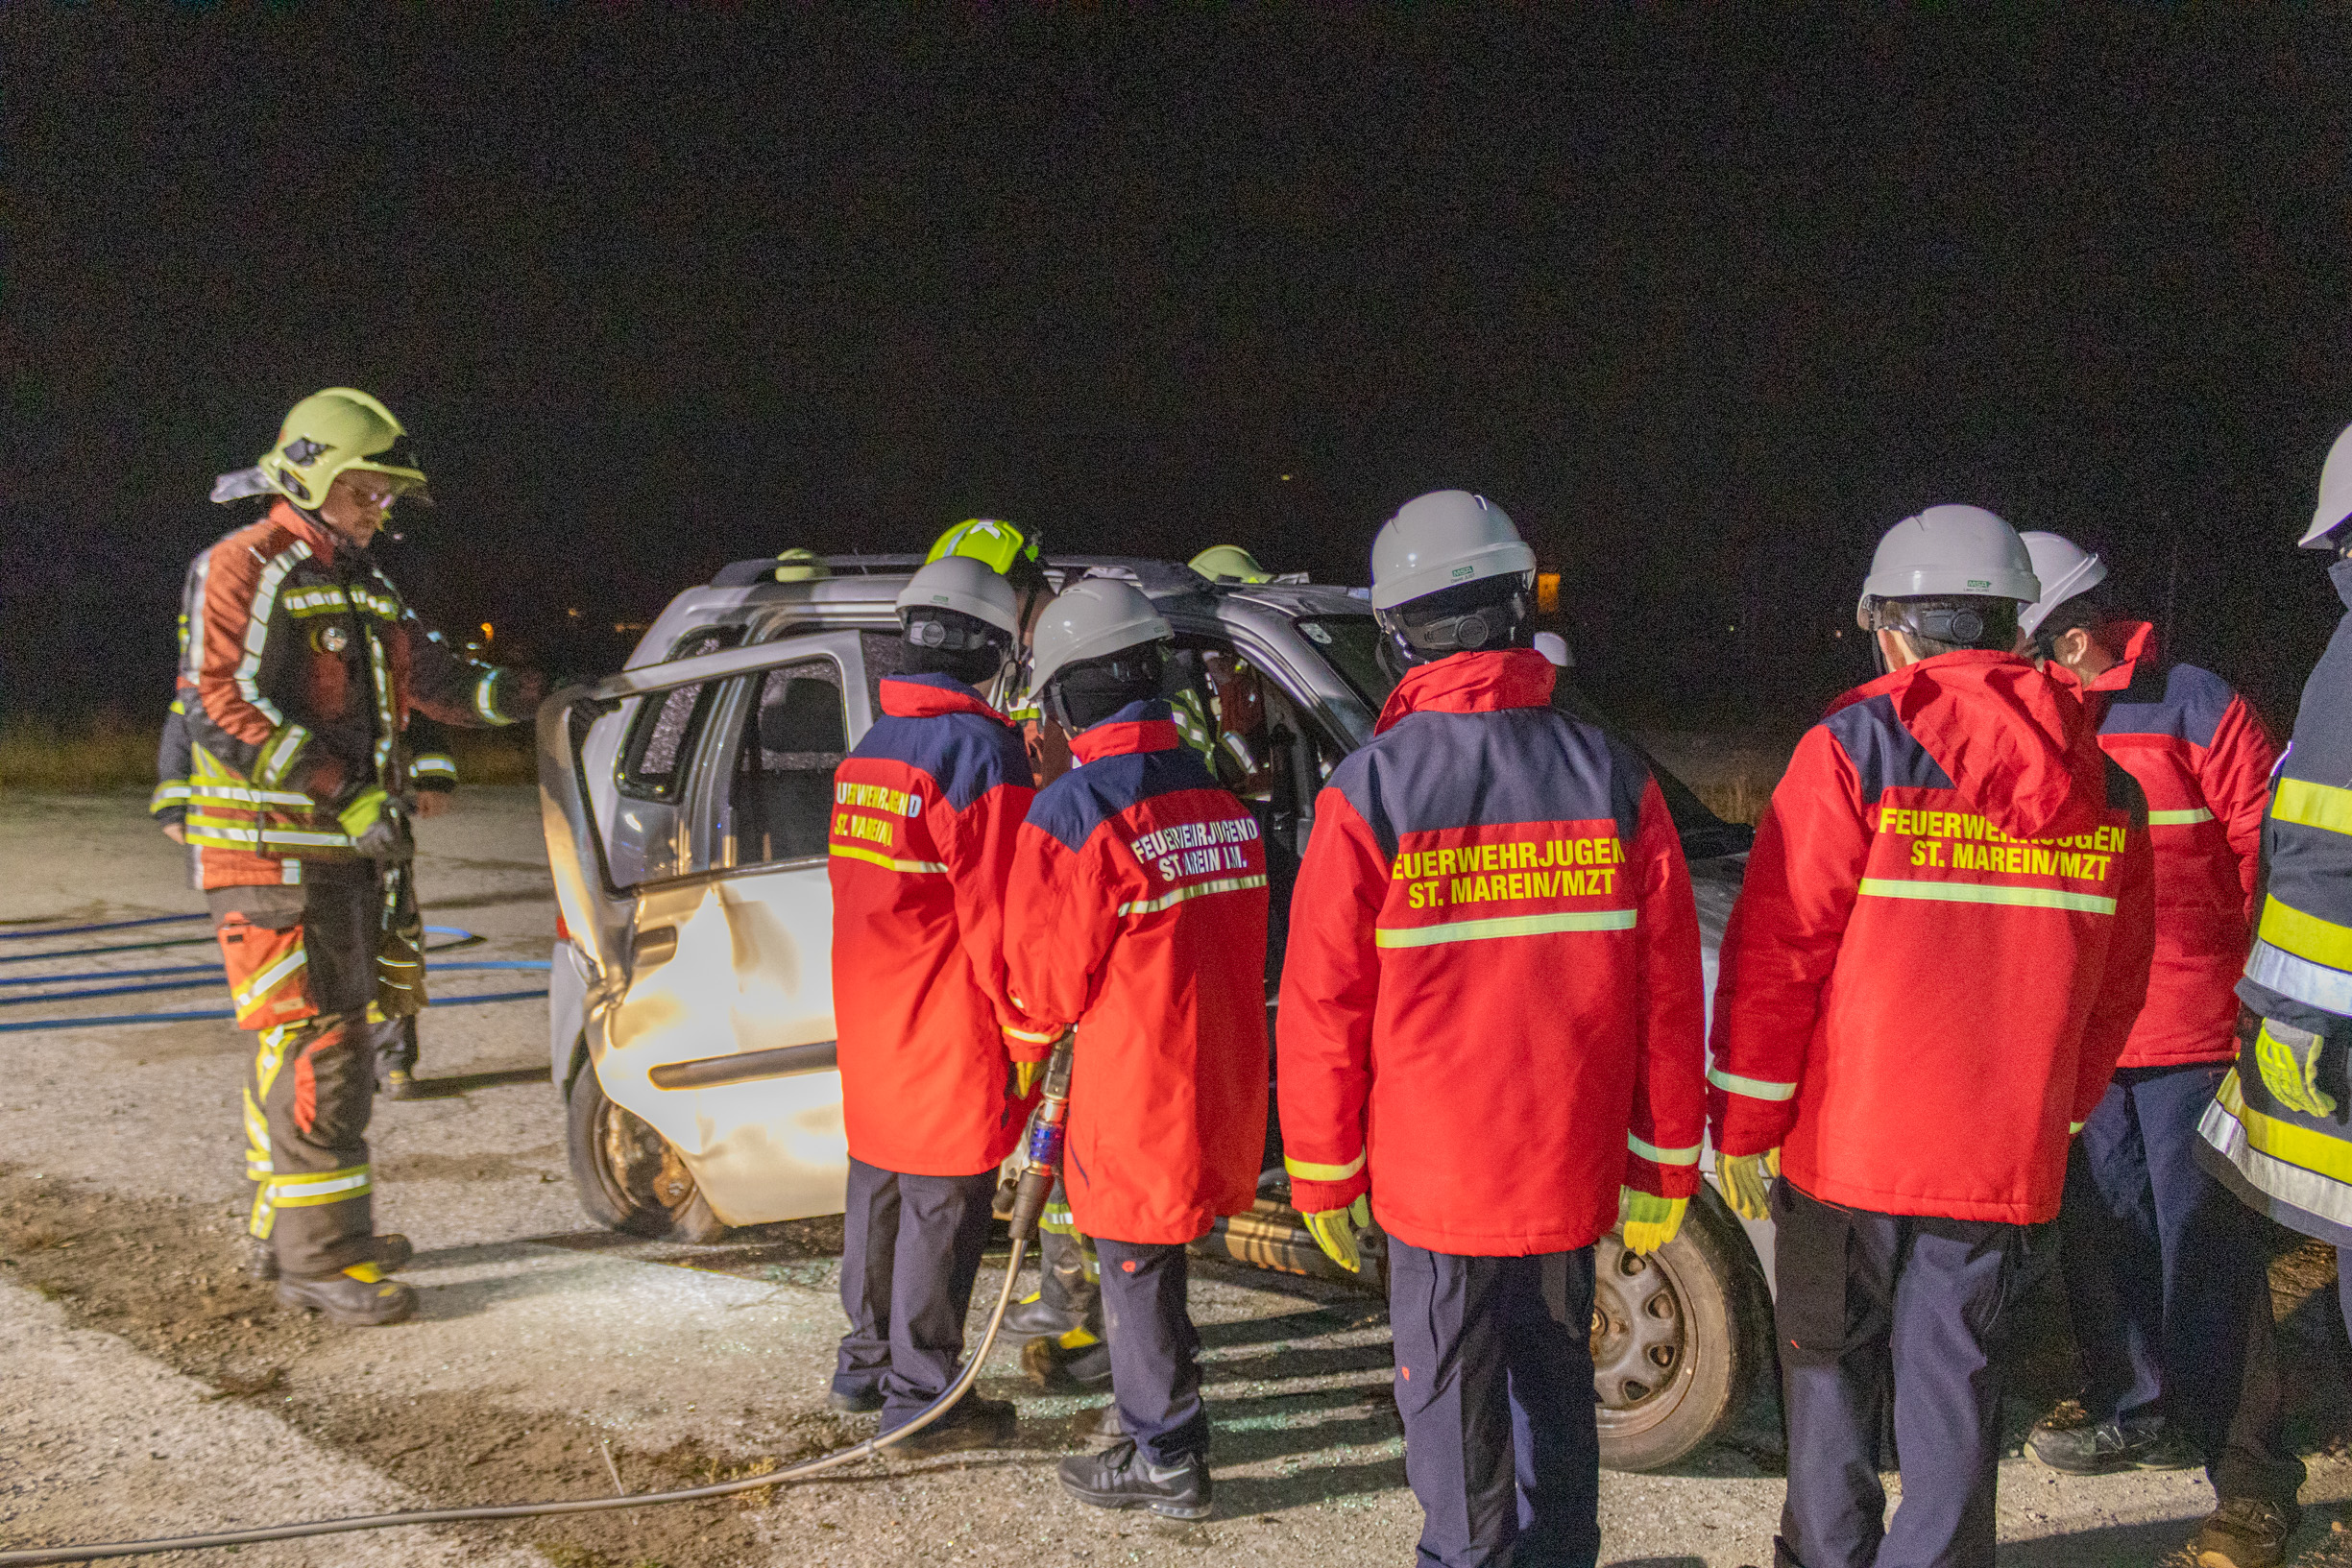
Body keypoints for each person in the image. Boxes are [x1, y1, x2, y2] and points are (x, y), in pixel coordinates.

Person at [1708, 504, 2155, 1568]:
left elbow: (1778, 955)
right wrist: (2060, 1107)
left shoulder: (1849, 749)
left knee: (1828, 1373)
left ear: (1895, 630)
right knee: (1955, 1385)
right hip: (1996, 1156)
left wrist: (1744, 1121)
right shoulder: (2108, 785)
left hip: (1845, 1148)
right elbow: (2115, 984)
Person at [1276, 490, 1708, 1568]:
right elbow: (1666, 995)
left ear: (1398, 632)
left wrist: (1323, 1174)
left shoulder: (1371, 789)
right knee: (1554, 1380)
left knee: (1452, 1400)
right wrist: (1663, 1158)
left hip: (1437, 1185)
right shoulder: (1611, 773)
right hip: (1566, 1165)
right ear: (1518, 605)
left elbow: (1324, 1007)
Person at [182, 388, 542, 1326]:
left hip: (339, 858)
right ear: (308, 474)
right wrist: (344, 791)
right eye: (365, 489)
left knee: (314, 1043)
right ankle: (322, 1260)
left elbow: (437, 680)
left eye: (386, 493)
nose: (379, 507)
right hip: (274, 857)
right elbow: (218, 701)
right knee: (322, 1050)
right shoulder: (245, 562)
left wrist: (537, 696)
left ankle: (300, 1235)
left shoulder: (366, 583)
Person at [2006, 532, 2302, 1560]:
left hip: (2187, 1032)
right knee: (2103, 1233)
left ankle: (2249, 1469)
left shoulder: (2197, 706)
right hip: (2082, 1036)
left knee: (2205, 1247)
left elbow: (2270, 852)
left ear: (2072, 638)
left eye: (2024, 645)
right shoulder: (2031, 718)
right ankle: (2133, 1403)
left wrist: (2261, 1001)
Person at [1003, 577, 1271, 1520]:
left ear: (1068, 692)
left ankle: (1166, 1457)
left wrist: (1022, 1053)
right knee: (1158, 1260)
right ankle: (1152, 1414)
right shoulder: (1220, 799)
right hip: (1222, 1081)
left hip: (1134, 1092)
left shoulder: (1075, 811)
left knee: (1133, 1264)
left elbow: (1043, 989)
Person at [826, 554, 1052, 1453]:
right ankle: (922, 1400)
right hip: (948, 1020)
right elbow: (1004, 915)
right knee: (942, 1206)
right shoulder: (981, 754)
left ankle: (865, 1364)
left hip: (874, 1020)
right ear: (991, 648)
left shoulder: (869, 750)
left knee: (878, 1188)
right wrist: (1030, 1029)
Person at [2197, 421, 2352, 1565]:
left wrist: (2286, 1020)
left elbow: (2305, 851)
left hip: (2318, 1038)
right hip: (2306, 1027)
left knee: (2243, 1230)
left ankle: (2255, 1481)